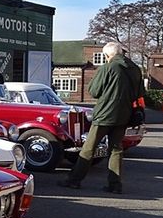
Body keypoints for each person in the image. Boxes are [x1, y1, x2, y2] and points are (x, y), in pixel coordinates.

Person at [58, 42, 144, 194]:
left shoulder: (108, 68)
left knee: (88, 148)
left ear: (107, 55)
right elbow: (139, 93)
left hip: (104, 114)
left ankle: (74, 180)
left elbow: (94, 91)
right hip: (124, 115)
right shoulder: (135, 69)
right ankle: (115, 184)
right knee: (116, 149)